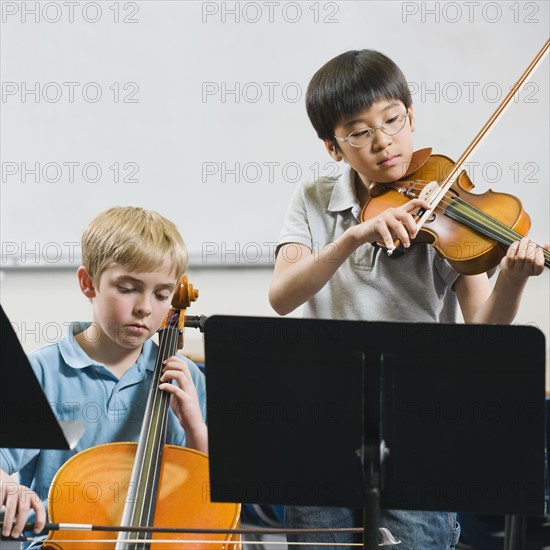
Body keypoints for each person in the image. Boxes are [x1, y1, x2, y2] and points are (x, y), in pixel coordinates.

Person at [268, 49, 549, 549]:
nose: (384, 142)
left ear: (411, 116)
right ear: (334, 148)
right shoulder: (313, 196)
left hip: (419, 422)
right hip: (323, 420)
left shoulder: (450, 209)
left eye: (393, 120)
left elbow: (483, 332)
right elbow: (282, 297)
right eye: (358, 132)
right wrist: (353, 236)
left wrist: (512, 278)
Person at [0, 206, 207, 543]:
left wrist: (194, 427)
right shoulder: (42, 373)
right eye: (127, 288)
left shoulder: (185, 379)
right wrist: (9, 487)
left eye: (162, 294)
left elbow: (207, 488)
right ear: (88, 283)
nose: (145, 307)